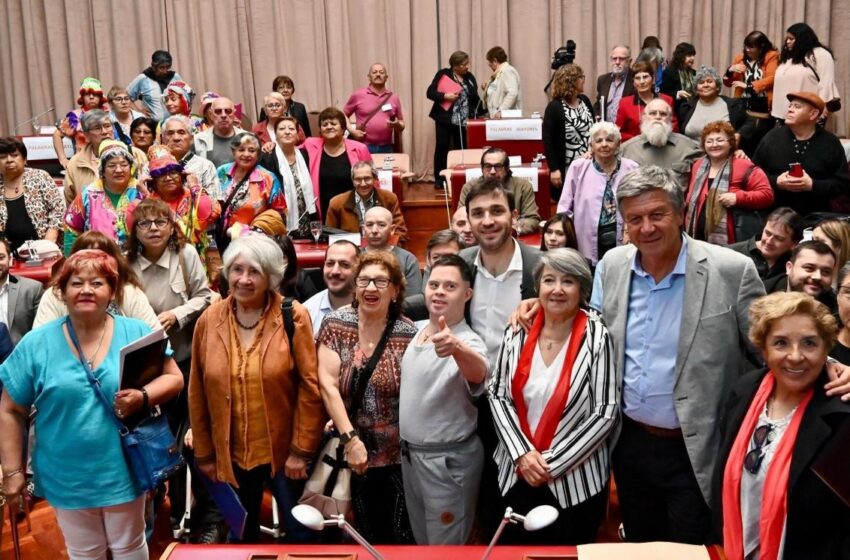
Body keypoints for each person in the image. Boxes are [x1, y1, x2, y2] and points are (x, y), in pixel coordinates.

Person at [589, 165, 765, 544]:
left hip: (697, 446)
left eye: (657, 214)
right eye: (634, 219)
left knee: (690, 545)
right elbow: (592, 334)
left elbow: (768, 349)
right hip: (629, 442)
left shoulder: (732, 269)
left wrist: (829, 366)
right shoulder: (612, 266)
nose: (646, 228)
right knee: (640, 542)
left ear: (680, 211)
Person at [0, 249, 183, 560]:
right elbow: (10, 409)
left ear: (112, 290)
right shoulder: (36, 343)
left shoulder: (135, 332)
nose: (86, 290)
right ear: (61, 290)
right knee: (85, 551)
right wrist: (12, 471)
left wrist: (143, 397)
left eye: (97, 283)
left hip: (123, 466)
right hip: (64, 472)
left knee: (129, 545)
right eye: (76, 283)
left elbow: (174, 379)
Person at [189, 234, 324, 543]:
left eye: (255, 272)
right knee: (240, 535)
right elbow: (197, 390)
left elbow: (309, 388)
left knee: (300, 534)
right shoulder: (209, 320)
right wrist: (206, 454)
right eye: (237, 270)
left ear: (271, 276)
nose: (244, 280)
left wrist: (300, 452)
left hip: (283, 452)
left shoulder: (293, 315)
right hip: (230, 452)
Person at [491, 249, 617, 544]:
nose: (557, 289)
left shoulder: (598, 337)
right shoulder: (517, 331)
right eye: (549, 280)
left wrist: (549, 464)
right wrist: (522, 455)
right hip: (516, 472)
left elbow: (605, 411)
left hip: (574, 481)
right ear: (538, 288)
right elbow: (497, 394)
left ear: (582, 290)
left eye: (568, 281)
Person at [715, 291, 850, 560]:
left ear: (827, 348)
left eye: (809, 343)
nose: (795, 356)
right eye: (781, 343)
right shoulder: (744, 391)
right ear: (763, 349)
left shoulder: (843, 417)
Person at [124, 198, 217, 541]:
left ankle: (199, 516)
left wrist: (177, 315)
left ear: (171, 226)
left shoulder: (186, 254)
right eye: (145, 224)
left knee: (191, 439)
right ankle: (165, 507)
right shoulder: (126, 261)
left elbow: (207, 296)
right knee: (155, 438)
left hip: (185, 356)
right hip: (144, 365)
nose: (153, 229)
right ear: (134, 230)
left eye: (160, 222)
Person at [317, 250, 416, 543]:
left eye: (381, 282)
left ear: (396, 289)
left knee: (399, 534)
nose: (371, 288)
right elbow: (327, 384)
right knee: (358, 535)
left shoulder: (408, 333)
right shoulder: (336, 325)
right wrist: (350, 439)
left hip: (398, 457)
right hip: (351, 452)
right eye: (364, 281)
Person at [400, 254, 488, 544]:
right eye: (434, 284)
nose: (439, 291)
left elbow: (479, 373)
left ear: (467, 294)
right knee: (424, 543)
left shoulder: (467, 340)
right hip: (411, 458)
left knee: (446, 550)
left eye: (450, 286)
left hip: (447, 463)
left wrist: (457, 349)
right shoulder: (418, 328)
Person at [34, 231, 159, 329]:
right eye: (86, 257)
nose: (93, 264)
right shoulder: (54, 295)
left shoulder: (130, 292)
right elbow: (39, 344)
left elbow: (157, 341)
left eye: (101, 258)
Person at [753, 92, 850, 217]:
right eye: (790, 106)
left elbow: (842, 184)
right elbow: (753, 173)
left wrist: (812, 185)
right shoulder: (772, 137)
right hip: (774, 216)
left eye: (797, 107)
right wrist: (776, 181)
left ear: (813, 114)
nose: (790, 109)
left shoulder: (830, 143)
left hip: (816, 217)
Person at [557, 121, 639, 264]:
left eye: (609, 140)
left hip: (622, 238)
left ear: (618, 144)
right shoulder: (578, 167)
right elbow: (564, 209)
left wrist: (631, 229)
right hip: (586, 240)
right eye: (598, 140)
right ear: (591, 146)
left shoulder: (631, 168)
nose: (604, 144)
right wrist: (569, 238)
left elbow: (639, 205)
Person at [684, 121, 773, 245]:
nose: (714, 145)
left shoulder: (743, 165)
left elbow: (767, 195)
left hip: (732, 240)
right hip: (696, 238)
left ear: (730, 143)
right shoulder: (698, 165)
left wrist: (737, 197)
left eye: (720, 140)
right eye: (709, 141)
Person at [134, 146, 219, 259]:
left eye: (173, 173)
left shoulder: (192, 196)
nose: (168, 178)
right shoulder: (148, 200)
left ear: (181, 176)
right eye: (162, 174)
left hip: (193, 258)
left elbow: (205, 215)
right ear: (153, 181)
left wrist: (194, 185)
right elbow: (131, 223)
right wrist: (144, 195)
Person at [64, 140, 145, 255]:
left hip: (136, 261)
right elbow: (71, 230)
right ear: (102, 170)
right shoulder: (88, 194)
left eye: (124, 165)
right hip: (98, 263)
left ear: (131, 168)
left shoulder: (140, 191)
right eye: (111, 165)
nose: (118, 170)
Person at [215, 132, 286, 253]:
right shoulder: (221, 172)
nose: (246, 154)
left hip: (253, 243)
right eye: (241, 150)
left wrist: (254, 230)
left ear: (258, 154)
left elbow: (280, 213)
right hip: (220, 240)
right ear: (233, 152)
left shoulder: (268, 178)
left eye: (252, 150)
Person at [63, 110, 148, 206]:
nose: (104, 132)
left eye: (107, 126)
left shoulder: (135, 154)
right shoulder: (76, 163)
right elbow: (71, 202)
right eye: (97, 128)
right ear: (86, 135)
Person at [300, 107, 371, 218]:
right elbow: (290, 151)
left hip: (353, 211)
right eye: (325, 124)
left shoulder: (359, 148)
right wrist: (271, 145)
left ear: (343, 129)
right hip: (322, 211)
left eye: (333, 123)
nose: (329, 127)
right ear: (320, 130)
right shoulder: (310, 144)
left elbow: (373, 179)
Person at [427, 50, 484, 189]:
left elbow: (475, 97)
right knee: (442, 148)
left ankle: (460, 178)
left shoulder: (470, 77)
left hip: (464, 121)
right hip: (445, 119)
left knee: (462, 149)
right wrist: (445, 96)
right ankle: (440, 179)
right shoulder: (444, 74)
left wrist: (483, 112)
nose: (467, 66)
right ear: (455, 66)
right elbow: (430, 92)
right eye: (464, 64)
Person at [457, 147, 541, 235]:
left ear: (507, 168)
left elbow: (532, 219)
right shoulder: (469, 187)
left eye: (497, 166)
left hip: (510, 237)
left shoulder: (522, 186)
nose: (492, 171)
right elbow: (461, 218)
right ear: (482, 168)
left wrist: (510, 229)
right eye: (488, 166)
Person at [620, 98, 701, 188]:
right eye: (653, 113)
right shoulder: (626, 150)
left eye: (663, 114)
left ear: (670, 118)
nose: (658, 117)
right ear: (643, 117)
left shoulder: (687, 146)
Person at [0, 137, 64, 249]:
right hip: (7, 256)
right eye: (3, 157)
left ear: (24, 159)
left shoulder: (40, 177)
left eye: (15, 155)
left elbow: (58, 209)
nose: (9, 160)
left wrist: (49, 241)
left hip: (46, 249)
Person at [259, 116, 317, 237]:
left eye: (291, 128)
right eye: (282, 129)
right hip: (281, 218)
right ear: (275, 134)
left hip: (306, 216)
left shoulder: (305, 154)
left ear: (297, 134)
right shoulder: (267, 157)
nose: (287, 131)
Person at [542, 64, 594, 199]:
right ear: (571, 81)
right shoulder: (554, 107)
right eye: (581, 77)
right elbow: (548, 140)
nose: (584, 80)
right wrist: (554, 169)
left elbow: (595, 130)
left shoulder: (585, 101)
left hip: (590, 164)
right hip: (567, 169)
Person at [723, 31, 780, 153]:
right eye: (745, 46)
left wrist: (749, 86)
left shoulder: (771, 56)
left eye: (751, 47)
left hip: (763, 108)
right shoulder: (740, 58)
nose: (747, 50)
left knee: (760, 145)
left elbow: (772, 78)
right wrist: (730, 70)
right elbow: (728, 83)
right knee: (741, 144)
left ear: (761, 47)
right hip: (742, 106)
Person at [325, 161, 408, 245]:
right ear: (352, 181)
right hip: (350, 254)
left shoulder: (389, 199)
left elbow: (400, 232)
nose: (363, 184)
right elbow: (329, 236)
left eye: (367, 178)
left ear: (375, 178)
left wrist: (386, 250)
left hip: (383, 251)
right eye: (358, 179)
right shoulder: (336, 203)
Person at [772, 22, 841, 123]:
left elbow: (826, 83)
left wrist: (821, 107)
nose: (787, 42)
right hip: (782, 114)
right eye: (787, 38)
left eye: (791, 39)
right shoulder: (789, 56)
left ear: (802, 39)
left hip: (809, 114)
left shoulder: (820, 54)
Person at [764, 240, 837, 315]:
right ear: (789, 268)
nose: (817, 277)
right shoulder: (764, 293)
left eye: (826, 272)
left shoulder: (836, 308)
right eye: (809, 268)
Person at [344, 63, 405, 153]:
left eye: (381, 72)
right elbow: (343, 114)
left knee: (387, 168)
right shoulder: (358, 95)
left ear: (386, 77)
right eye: (374, 72)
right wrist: (352, 131)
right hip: (363, 146)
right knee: (364, 168)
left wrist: (397, 125)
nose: (378, 74)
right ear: (369, 77)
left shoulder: (394, 98)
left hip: (386, 147)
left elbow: (402, 125)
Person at [302, 240, 360, 335]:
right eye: (330, 263)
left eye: (344, 264)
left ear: (358, 269)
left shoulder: (372, 307)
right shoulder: (307, 312)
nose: (335, 271)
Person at [730, 207, 803, 281]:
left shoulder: (796, 263)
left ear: (794, 244)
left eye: (779, 238)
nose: (769, 241)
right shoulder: (732, 253)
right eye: (767, 233)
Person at [161, 115, 223, 200]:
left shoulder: (205, 166)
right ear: (163, 139)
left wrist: (195, 188)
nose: (176, 138)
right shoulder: (151, 167)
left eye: (181, 132)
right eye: (170, 133)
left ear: (191, 138)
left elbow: (214, 206)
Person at [679, 67, 748, 142]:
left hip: (722, 151)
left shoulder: (732, 105)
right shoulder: (686, 107)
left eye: (709, 81)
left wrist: (738, 134)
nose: (705, 85)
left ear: (717, 87)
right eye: (701, 82)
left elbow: (750, 122)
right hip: (692, 151)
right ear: (696, 89)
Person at [615, 61, 679, 142]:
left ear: (653, 79)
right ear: (633, 82)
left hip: (662, 145)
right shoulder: (625, 103)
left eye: (645, 77)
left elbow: (675, 128)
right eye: (637, 78)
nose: (642, 82)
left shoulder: (667, 100)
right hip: (635, 148)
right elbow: (618, 132)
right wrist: (638, 139)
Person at [362, 206, 421, 294]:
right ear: (363, 230)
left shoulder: (407, 259)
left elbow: (416, 298)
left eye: (381, 225)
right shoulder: (354, 256)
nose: (374, 230)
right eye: (369, 225)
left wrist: (387, 306)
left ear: (392, 229)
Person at [53, 77, 109, 167]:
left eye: (95, 94)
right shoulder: (75, 116)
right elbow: (57, 135)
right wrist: (63, 159)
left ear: (100, 96)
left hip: (109, 161)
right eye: (87, 94)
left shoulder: (109, 114)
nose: (91, 97)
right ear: (82, 97)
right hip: (83, 164)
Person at [0, 238, 43, 345]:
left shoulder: (32, 289)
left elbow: (42, 334)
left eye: (0, 258)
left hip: (21, 357)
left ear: (10, 260)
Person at [127, 50, 182, 121]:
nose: (165, 71)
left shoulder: (175, 77)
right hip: (152, 125)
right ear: (153, 66)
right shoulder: (143, 78)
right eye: (162, 67)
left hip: (174, 123)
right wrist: (138, 111)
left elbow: (186, 96)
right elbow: (127, 96)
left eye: (168, 67)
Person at [194, 97, 246, 168]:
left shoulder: (247, 137)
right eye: (218, 111)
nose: (223, 115)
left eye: (228, 111)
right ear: (211, 115)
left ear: (234, 114)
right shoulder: (198, 140)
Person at [595, 45, 635, 122]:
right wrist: (597, 115)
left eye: (621, 59)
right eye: (614, 59)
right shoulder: (603, 80)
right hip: (606, 130)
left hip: (626, 130)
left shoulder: (636, 79)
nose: (617, 62)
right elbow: (598, 104)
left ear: (629, 61)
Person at [482, 46, 522, 118]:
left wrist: (501, 111)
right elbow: (497, 90)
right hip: (498, 117)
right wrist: (488, 86)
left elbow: (513, 93)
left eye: (490, 64)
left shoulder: (507, 71)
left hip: (505, 118)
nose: (489, 66)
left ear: (495, 61)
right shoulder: (499, 73)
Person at [660, 42, 697, 118]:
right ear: (681, 56)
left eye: (693, 55)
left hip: (693, 110)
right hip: (675, 111)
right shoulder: (669, 71)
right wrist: (677, 94)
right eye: (689, 55)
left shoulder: (694, 73)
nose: (692, 58)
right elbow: (662, 92)